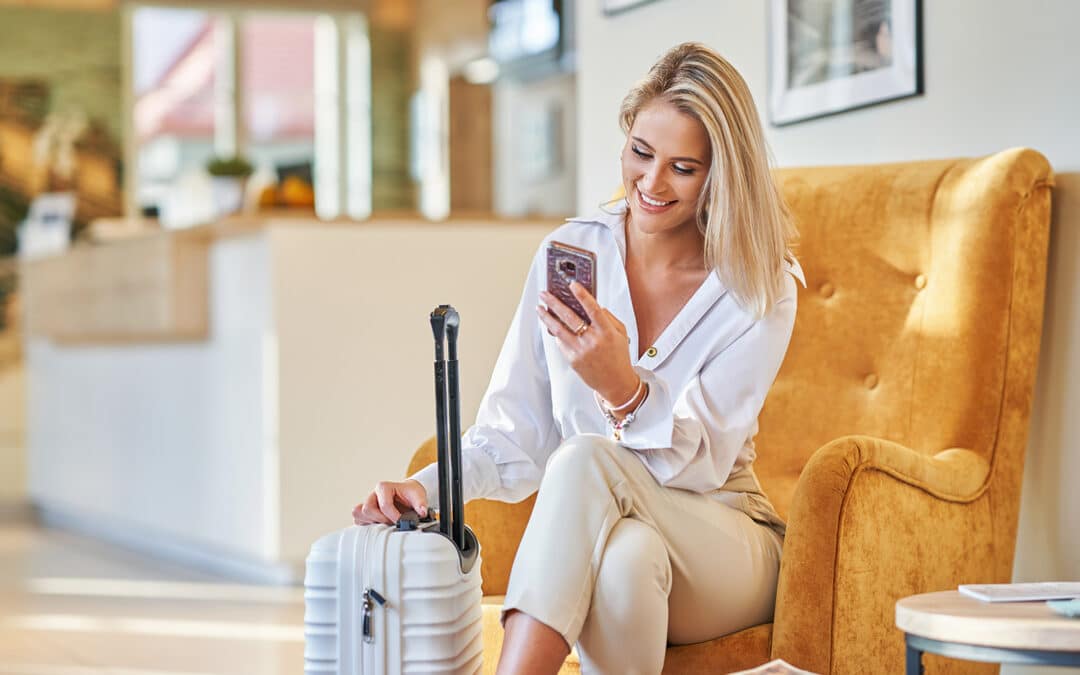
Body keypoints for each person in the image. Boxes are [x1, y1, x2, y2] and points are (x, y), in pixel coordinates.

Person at [353, 41, 803, 675]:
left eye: (683, 167)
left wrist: (624, 389)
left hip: (725, 540)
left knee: (588, 455)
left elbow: (702, 466)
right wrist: (424, 490)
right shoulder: (570, 252)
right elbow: (512, 438)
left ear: (720, 175)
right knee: (624, 560)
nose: (650, 183)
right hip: (623, 536)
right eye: (641, 154)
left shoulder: (758, 285)